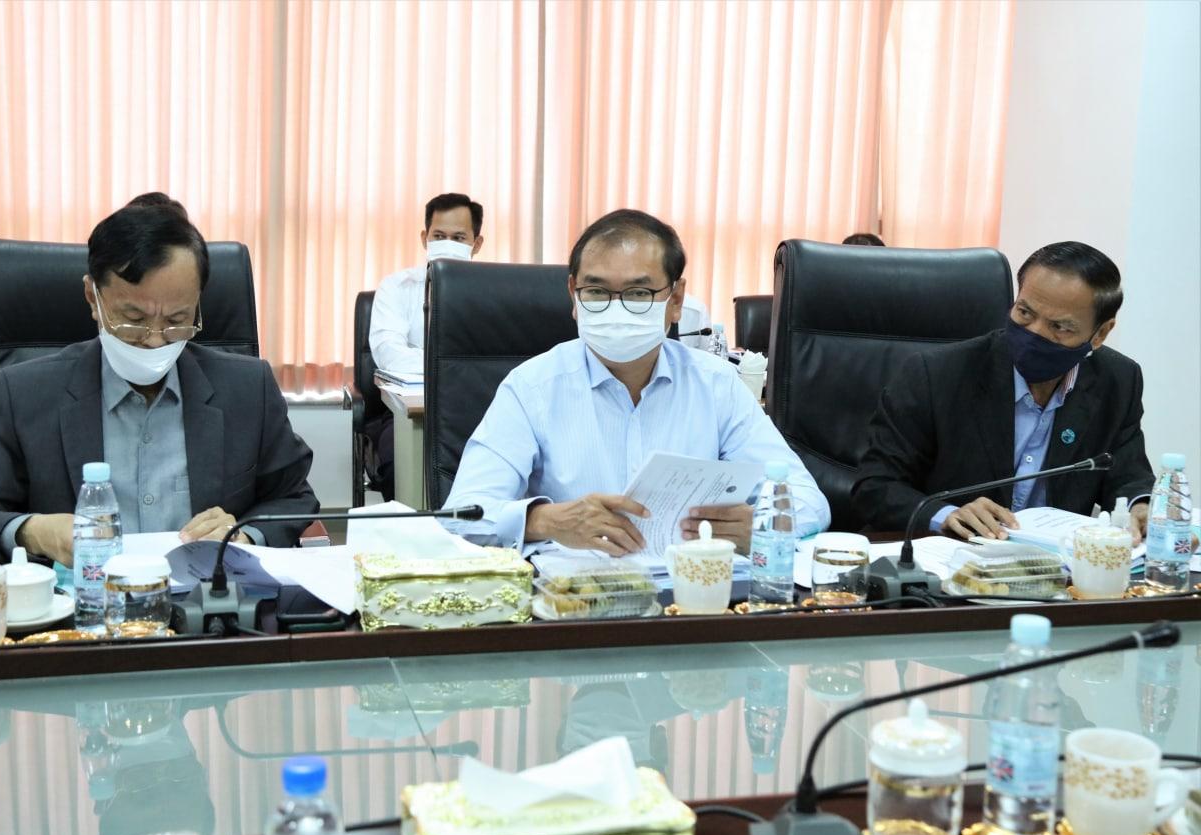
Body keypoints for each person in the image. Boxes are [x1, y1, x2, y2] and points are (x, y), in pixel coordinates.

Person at [0, 199, 318, 566]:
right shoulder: (24, 392)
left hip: (208, 607)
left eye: (177, 320)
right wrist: (34, 531)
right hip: (81, 607)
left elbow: (293, 499)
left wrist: (243, 536)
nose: (155, 339)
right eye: (133, 319)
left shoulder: (247, 388)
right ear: (92, 298)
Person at [443, 208, 830, 555]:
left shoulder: (715, 385)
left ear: (676, 300)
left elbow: (808, 501)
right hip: (573, 598)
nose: (616, 308)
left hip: (692, 596)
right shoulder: (532, 388)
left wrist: (762, 526)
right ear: (574, 296)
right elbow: (461, 515)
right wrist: (544, 521)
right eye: (596, 292)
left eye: (639, 293)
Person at [852, 241, 1154, 542]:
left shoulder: (1118, 381)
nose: (1035, 332)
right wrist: (946, 515)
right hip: (947, 554)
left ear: (1100, 333)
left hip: (1052, 563)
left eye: (1060, 327)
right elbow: (875, 486)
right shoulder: (935, 374)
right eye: (1025, 313)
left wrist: (1139, 506)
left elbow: (1128, 476)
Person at [365, 192, 485, 500]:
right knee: (398, 465)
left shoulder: (491, 293)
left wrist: (430, 363)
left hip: (478, 408)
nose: (447, 244)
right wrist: (454, 370)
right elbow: (389, 354)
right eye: (439, 236)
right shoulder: (396, 287)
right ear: (424, 238)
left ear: (476, 244)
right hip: (407, 412)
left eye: (459, 238)